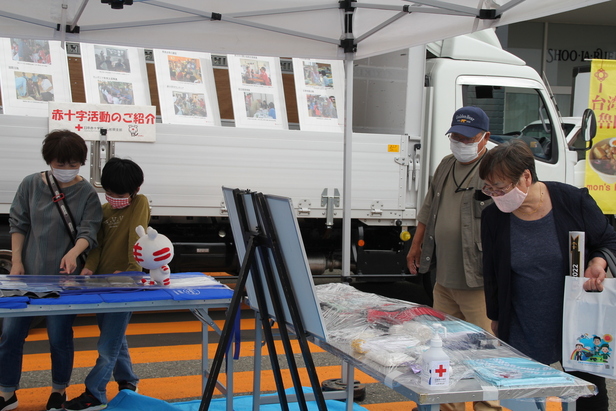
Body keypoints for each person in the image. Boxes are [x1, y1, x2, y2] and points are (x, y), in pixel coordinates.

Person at [479, 140, 616, 411]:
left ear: (526, 177)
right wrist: (496, 316)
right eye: (489, 188)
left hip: (579, 321)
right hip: (523, 322)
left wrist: (598, 262)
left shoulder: (572, 201)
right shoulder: (493, 216)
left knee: (587, 395)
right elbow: (492, 271)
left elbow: (608, 239)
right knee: (521, 399)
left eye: (501, 188)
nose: (495, 195)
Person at [406, 106, 500, 411]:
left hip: (477, 281)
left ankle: (487, 408)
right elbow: (428, 206)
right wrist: (416, 244)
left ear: (485, 137)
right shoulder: (446, 164)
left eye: (468, 137)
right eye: (456, 136)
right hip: (444, 278)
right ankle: (449, 407)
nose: (460, 142)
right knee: (445, 349)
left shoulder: (494, 168)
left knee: (484, 351)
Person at [1, 130, 102, 411]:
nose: (67, 169)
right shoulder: (31, 184)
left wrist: (73, 253)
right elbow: (18, 223)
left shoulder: (87, 193)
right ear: (49, 161)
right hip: (26, 276)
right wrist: (17, 261)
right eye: (61, 163)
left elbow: (89, 231)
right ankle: (7, 392)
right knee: (10, 334)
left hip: (64, 279)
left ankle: (59, 390)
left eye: (74, 164)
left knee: (59, 337)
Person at [63, 157, 150, 411]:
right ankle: (128, 381)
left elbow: (137, 236)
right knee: (113, 337)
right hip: (102, 283)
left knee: (107, 345)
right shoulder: (104, 211)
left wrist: (132, 272)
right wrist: (89, 268)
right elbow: (97, 246)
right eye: (109, 193)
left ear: (135, 190)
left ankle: (95, 393)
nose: (113, 198)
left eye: (119, 194)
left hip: (124, 285)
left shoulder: (140, 203)